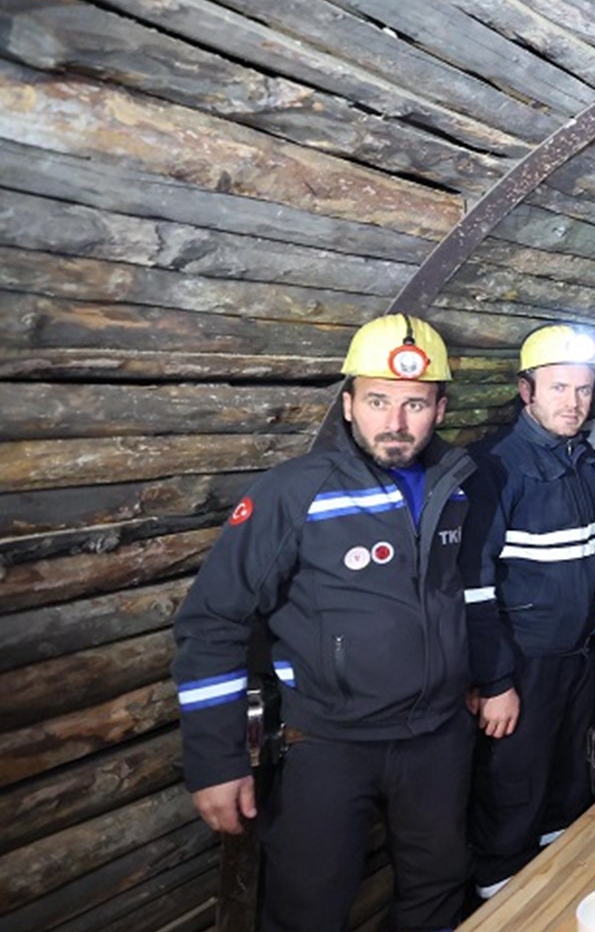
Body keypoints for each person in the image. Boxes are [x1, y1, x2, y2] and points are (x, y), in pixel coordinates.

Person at [172, 314, 493, 932]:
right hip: (327, 743)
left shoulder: (456, 486)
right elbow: (213, 622)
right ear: (348, 405)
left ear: (440, 408)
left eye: (414, 404)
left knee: (437, 885)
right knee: (308, 906)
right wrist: (215, 761)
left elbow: (457, 596)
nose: (396, 422)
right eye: (377, 400)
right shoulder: (295, 493)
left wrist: (480, 675)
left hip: (435, 735)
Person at [466, 325, 595, 897]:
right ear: (527, 391)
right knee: (512, 796)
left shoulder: (584, 461)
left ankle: (557, 900)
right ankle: (499, 902)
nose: (572, 402)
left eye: (582, 390)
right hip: (525, 665)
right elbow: (474, 586)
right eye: (558, 388)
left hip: (580, 659)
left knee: (567, 789)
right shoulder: (495, 467)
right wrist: (494, 679)